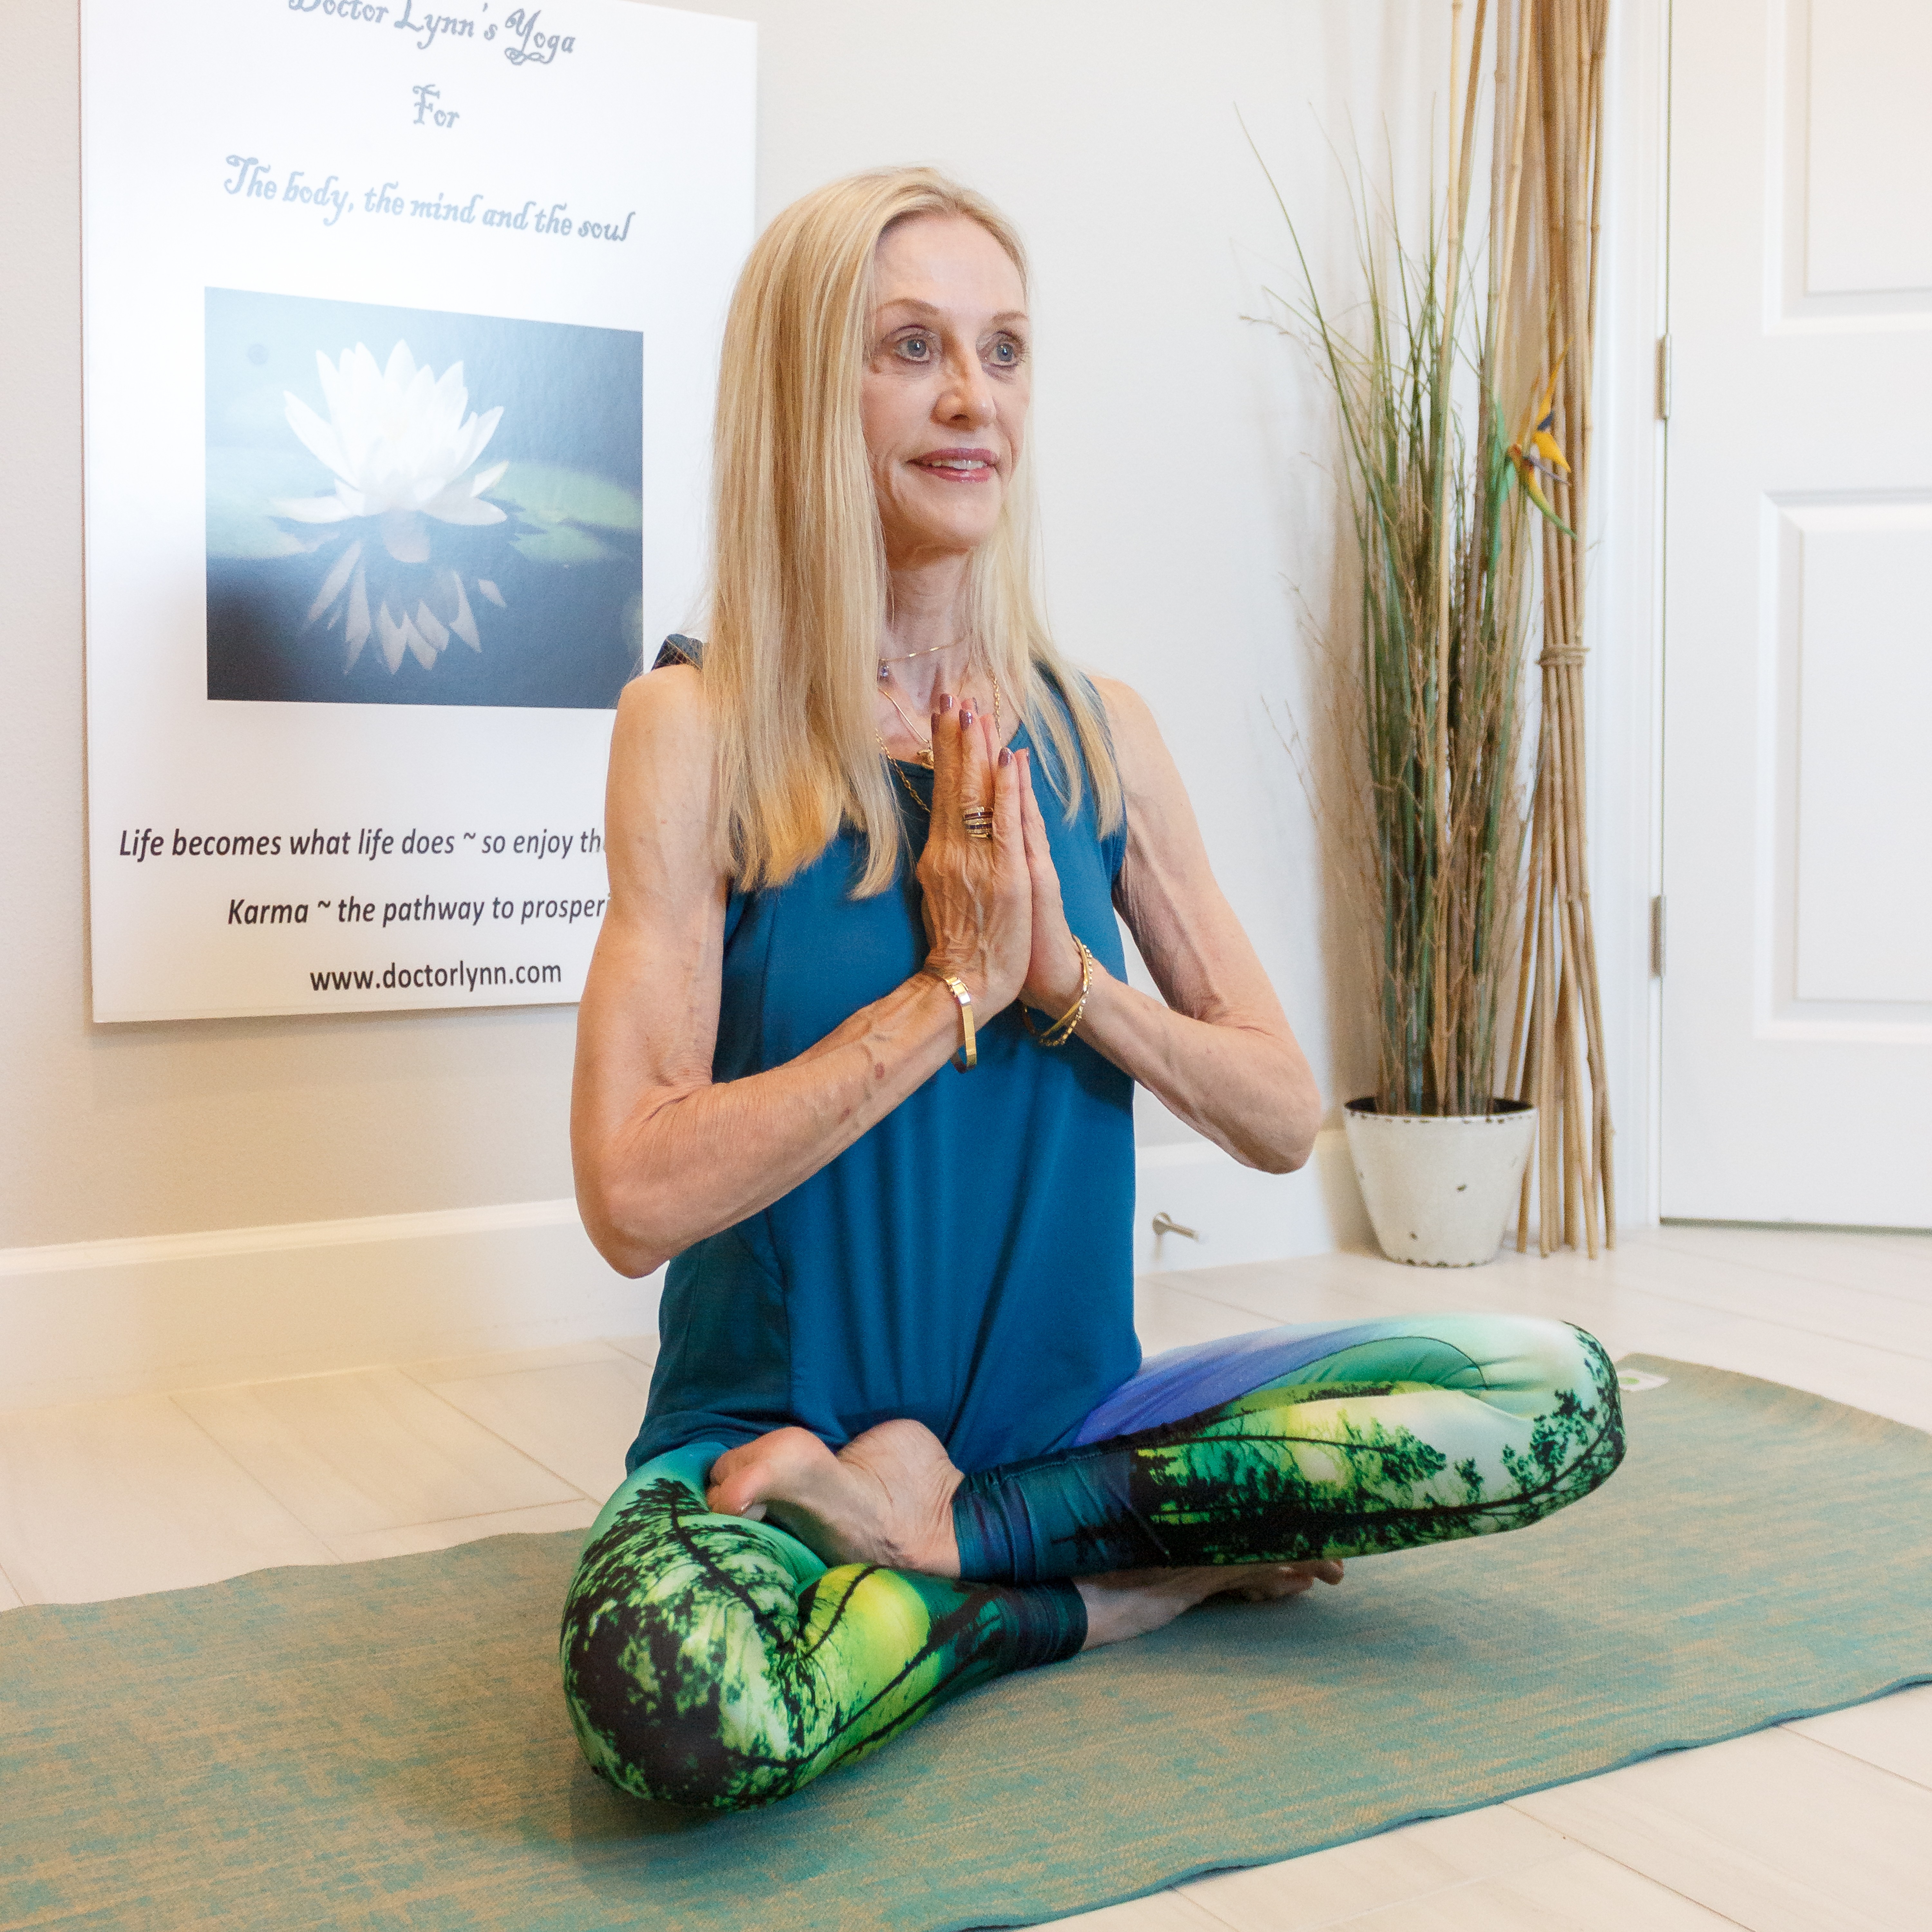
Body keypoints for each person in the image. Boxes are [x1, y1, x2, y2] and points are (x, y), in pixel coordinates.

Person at [562, 168, 1624, 1813]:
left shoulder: (1097, 730)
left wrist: (1067, 984)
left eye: (1004, 349)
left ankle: (949, 1550)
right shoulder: (698, 733)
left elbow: (1279, 1116)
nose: (973, 397)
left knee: (1550, 1398)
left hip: (1081, 1437)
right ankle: (1113, 1591)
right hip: (768, 1451)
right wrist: (942, 996)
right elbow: (632, 1194)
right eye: (910, 347)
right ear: (801, 389)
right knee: (683, 1714)